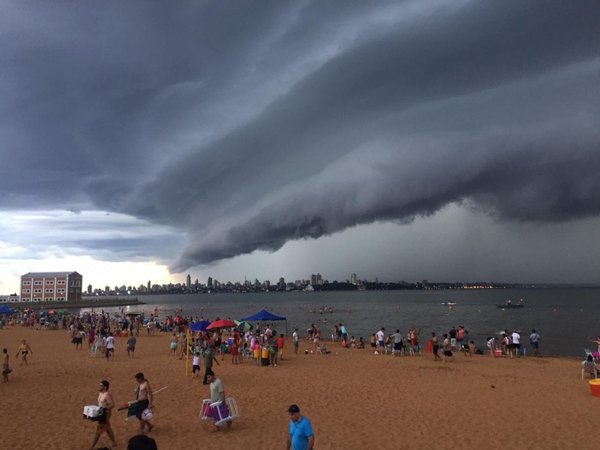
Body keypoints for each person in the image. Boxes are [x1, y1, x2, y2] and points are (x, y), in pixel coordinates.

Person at [90, 380, 117, 450]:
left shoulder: (107, 395)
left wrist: (104, 409)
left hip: (105, 414)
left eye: (101, 385)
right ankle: (114, 442)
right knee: (108, 428)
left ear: (105, 387)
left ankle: (92, 447)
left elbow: (112, 404)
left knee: (98, 431)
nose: (100, 386)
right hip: (101, 413)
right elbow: (100, 403)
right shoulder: (100, 393)